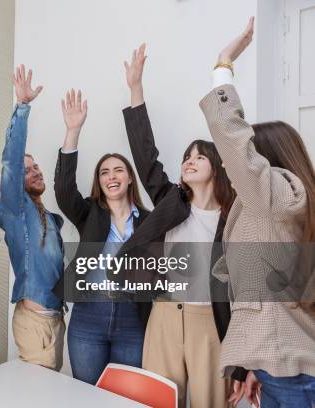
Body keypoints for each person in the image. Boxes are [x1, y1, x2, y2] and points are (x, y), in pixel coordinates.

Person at [200, 17, 315, 407]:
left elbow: (231, 137)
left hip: (293, 377)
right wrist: (255, 364)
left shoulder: (279, 195)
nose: (232, 174)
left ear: (267, 160)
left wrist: (223, 64)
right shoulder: (274, 208)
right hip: (279, 368)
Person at [122, 44, 240, 408]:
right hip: (163, 316)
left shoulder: (233, 215)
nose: (189, 161)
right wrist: (136, 90)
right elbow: (146, 157)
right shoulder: (171, 201)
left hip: (210, 322)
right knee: (156, 400)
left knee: (210, 403)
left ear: (216, 167)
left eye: (199, 157)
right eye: (186, 157)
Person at [54, 88, 151, 384]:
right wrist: (73, 132)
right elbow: (64, 190)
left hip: (133, 319)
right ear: (99, 181)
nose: (111, 177)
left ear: (130, 177)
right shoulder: (89, 213)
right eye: (104, 172)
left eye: (118, 170)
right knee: (87, 396)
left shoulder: (148, 221)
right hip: (88, 317)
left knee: (126, 397)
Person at [0, 65, 65, 371]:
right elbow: (11, 160)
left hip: (57, 320)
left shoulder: (49, 217)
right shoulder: (14, 210)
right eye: (27, 169)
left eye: (36, 166)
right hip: (32, 320)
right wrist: (22, 108)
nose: (34, 170)